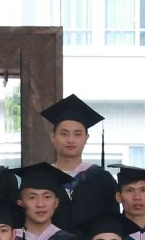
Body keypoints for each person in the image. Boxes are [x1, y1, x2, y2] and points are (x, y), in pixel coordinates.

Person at [38, 94, 118, 226]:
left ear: (86, 138)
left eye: (77, 134)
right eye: (64, 134)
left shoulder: (102, 179)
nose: (70, 140)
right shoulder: (42, 178)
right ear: (53, 137)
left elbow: (113, 222)